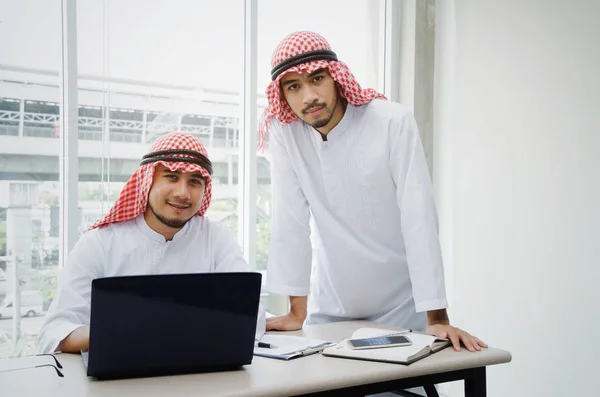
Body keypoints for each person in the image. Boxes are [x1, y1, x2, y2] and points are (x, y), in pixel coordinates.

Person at [260, 31, 486, 353]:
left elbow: (418, 219)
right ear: (282, 94)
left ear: (335, 78)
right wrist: (297, 311)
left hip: (399, 309)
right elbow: (290, 220)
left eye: (317, 78)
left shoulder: (391, 122)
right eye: (293, 86)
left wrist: (436, 316)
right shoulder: (285, 134)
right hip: (330, 310)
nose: (308, 96)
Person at [38, 131, 266, 354]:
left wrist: (163, 328)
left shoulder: (216, 238)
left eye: (194, 182)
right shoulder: (99, 242)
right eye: (171, 177)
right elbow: (56, 330)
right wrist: (124, 331)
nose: (183, 193)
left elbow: (251, 313)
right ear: (147, 181)